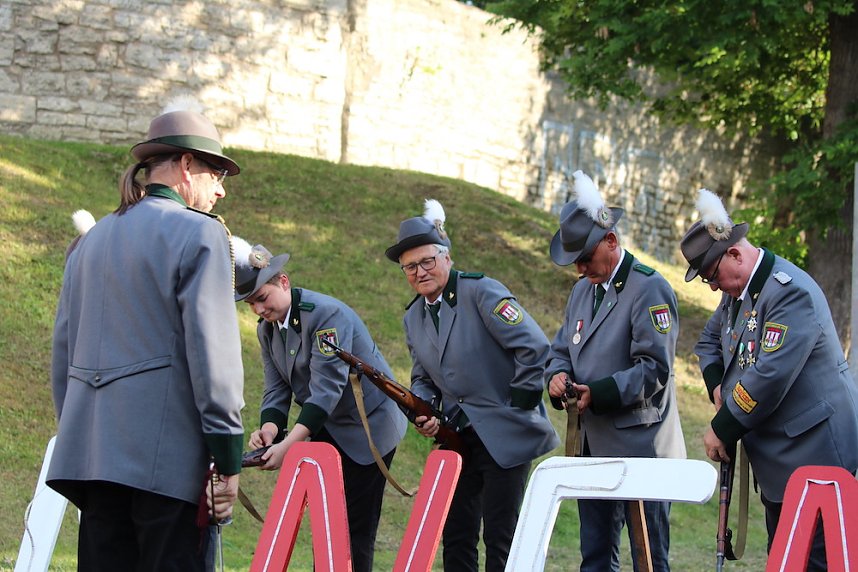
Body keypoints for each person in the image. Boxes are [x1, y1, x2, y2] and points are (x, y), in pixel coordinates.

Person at [48, 98, 245, 571]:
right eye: (214, 174)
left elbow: (63, 358)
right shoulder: (201, 234)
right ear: (184, 165)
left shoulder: (88, 242)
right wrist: (227, 459)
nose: (219, 191)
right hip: (166, 468)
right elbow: (213, 358)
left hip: (91, 462)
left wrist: (83, 436)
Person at [681, 188, 858, 570]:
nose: (713, 288)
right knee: (787, 557)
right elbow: (709, 342)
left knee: (813, 561)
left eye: (712, 277)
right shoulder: (741, 293)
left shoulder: (788, 293)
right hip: (782, 458)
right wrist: (718, 390)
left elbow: (770, 375)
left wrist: (722, 426)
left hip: (816, 454)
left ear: (734, 253)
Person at [385, 198, 559, 572]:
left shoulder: (481, 292)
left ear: (446, 257)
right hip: (458, 438)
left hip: (505, 434)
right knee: (457, 536)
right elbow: (423, 376)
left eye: (427, 261)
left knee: (502, 537)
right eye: (409, 267)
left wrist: (519, 405)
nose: (419, 272)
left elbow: (534, 347)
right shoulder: (414, 316)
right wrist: (427, 411)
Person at [234, 237, 407, 572]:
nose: (258, 310)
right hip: (329, 427)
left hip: (368, 428)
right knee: (327, 526)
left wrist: (287, 447)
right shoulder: (267, 329)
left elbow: (326, 391)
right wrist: (270, 429)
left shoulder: (325, 315)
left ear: (283, 281)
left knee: (354, 529)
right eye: (250, 304)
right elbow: (276, 388)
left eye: (262, 298)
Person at [545, 171, 686, 572]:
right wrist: (556, 379)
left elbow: (654, 369)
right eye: (575, 262)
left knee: (649, 560)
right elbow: (561, 350)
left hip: (642, 447)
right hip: (593, 446)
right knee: (595, 559)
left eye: (585, 259)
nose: (579, 269)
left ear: (611, 241)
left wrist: (599, 393)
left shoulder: (648, 289)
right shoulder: (582, 291)